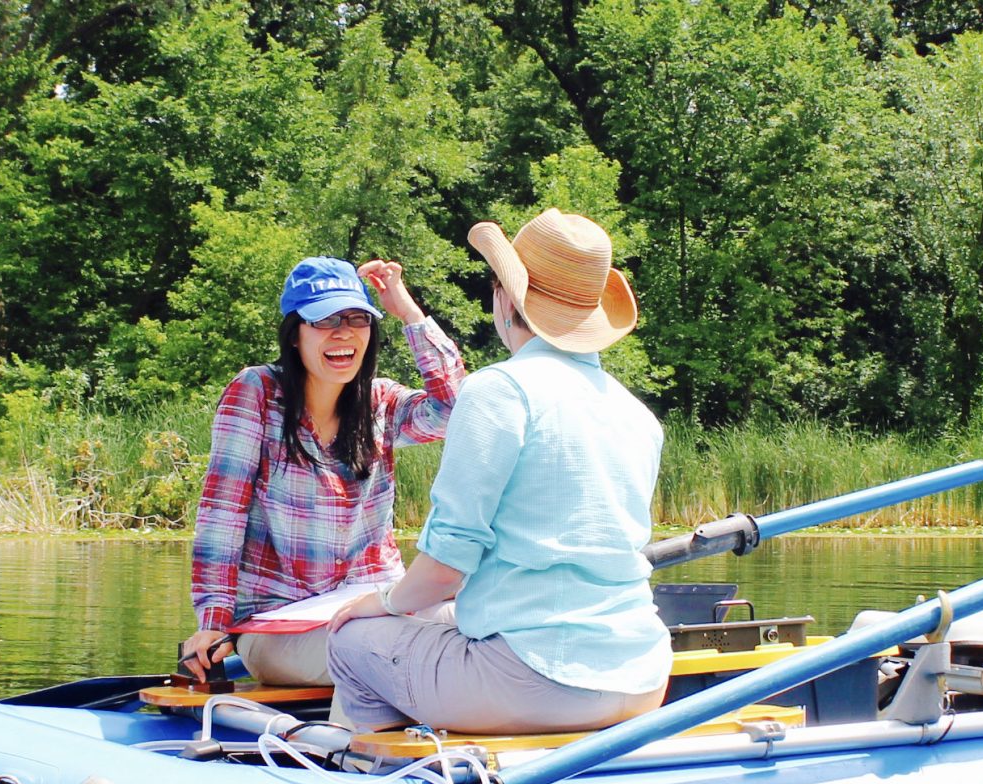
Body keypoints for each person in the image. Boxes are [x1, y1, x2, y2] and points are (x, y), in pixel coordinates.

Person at [324, 209, 669, 735]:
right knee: (435, 621)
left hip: (538, 682)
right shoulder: (637, 415)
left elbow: (446, 566)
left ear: (505, 298)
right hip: (644, 678)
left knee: (350, 640)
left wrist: (383, 601)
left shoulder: (499, 390)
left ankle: (380, 781)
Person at [181, 256, 466, 686]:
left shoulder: (381, 402)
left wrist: (408, 311)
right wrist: (215, 620)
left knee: (481, 620)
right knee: (385, 647)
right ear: (295, 334)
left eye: (356, 318)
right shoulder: (256, 392)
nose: (343, 332)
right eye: (325, 320)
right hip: (279, 623)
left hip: (375, 605)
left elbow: (456, 410)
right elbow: (222, 516)